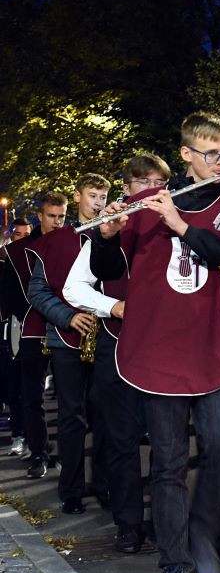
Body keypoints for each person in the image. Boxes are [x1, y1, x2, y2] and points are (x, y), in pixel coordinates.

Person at [90, 112, 220, 573]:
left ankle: (201, 536)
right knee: (167, 465)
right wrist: (105, 239)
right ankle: (174, 567)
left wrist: (182, 228)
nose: (219, 160)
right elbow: (107, 272)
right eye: (209, 152)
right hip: (160, 353)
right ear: (187, 155)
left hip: (217, 348)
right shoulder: (144, 206)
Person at [64, 154, 172, 553]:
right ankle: (128, 524)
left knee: (167, 440)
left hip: (163, 347)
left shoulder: (176, 222)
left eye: (160, 182)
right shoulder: (110, 227)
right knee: (122, 440)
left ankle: (166, 519)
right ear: (127, 188)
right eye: (144, 182)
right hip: (118, 343)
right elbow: (75, 288)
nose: (153, 189)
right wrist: (115, 307)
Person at [27, 174, 110, 515]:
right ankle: (72, 490)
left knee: (106, 415)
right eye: (93, 196)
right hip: (66, 339)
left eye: (104, 196)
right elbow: (37, 292)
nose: (99, 203)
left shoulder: (114, 235)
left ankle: (106, 485)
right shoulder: (56, 240)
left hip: (107, 337)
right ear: (78, 197)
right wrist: (67, 317)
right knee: (71, 416)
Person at [4, 193, 68, 479]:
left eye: (61, 216)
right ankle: (38, 453)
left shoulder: (74, 244)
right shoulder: (18, 253)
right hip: (33, 329)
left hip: (68, 329)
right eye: (51, 216)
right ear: (39, 217)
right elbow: (10, 297)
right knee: (32, 397)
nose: (56, 222)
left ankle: (67, 457)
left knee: (71, 400)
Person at [1, 217, 33, 458]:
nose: (21, 238)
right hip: (9, 327)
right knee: (12, 384)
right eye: (18, 235)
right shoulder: (6, 260)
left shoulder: (37, 257)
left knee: (29, 389)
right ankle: (18, 435)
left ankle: (33, 441)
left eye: (26, 234)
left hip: (34, 327)